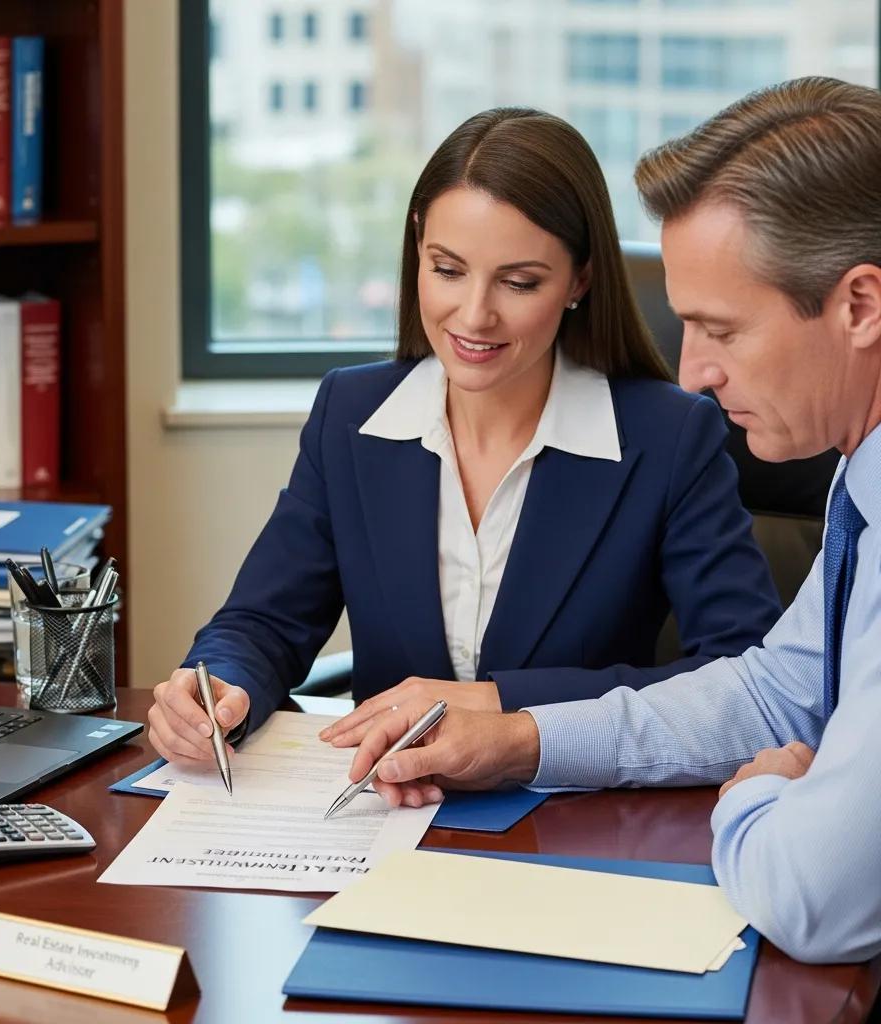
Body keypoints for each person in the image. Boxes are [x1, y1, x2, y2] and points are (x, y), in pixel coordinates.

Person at [346, 77, 881, 964]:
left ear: (860, 305)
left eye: (720, 329)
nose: (695, 372)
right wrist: (520, 741)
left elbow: (815, 902)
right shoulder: (859, 480)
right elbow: (769, 692)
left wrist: (758, 799)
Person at [147, 107, 780, 797]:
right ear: (418, 248)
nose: (474, 315)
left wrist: (500, 702)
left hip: (571, 819)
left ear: (579, 280)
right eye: (448, 270)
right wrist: (216, 685)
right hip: (386, 813)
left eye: (519, 282)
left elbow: (743, 676)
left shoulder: (667, 436)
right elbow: (263, 622)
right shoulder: (352, 416)